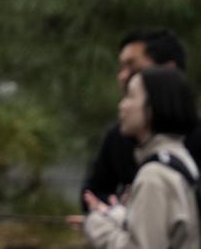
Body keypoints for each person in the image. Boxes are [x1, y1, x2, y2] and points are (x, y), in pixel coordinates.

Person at [82, 29, 201, 209]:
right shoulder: (118, 136)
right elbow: (92, 192)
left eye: (132, 66)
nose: (122, 76)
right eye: (121, 67)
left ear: (168, 71)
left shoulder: (157, 173)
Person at [83, 67, 201, 248]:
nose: (121, 105)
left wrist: (96, 224)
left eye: (130, 96)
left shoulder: (153, 176)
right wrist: (118, 215)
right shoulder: (179, 158)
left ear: (152, 107)